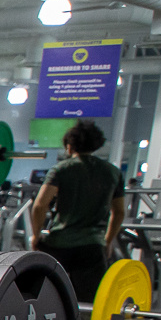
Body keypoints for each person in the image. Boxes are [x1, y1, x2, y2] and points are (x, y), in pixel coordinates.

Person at [30, 120, 127, 299]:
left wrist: (36, 236)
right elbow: (119, 212)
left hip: (59, 244)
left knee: (44, 297)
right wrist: (107, 241)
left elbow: (39, 205)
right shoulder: (113, 172)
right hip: (93, 247)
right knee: (88, 304)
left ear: (69, 146)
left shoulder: (61, 169)